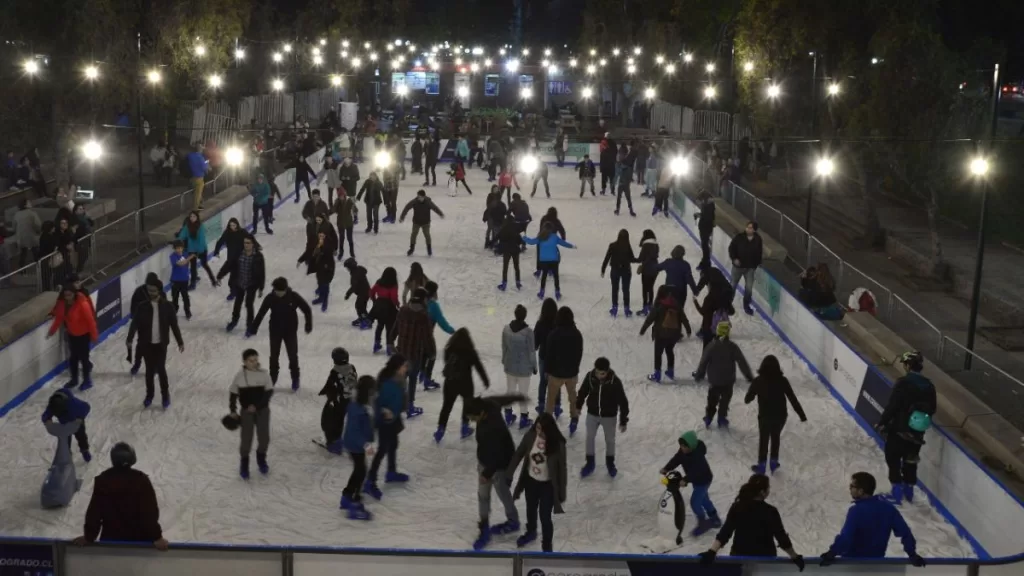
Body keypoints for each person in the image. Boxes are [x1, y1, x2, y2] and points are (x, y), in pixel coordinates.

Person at [699, 474, 805, 569]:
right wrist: (794, 556)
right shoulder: (770, 511)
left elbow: (726, 532)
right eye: (768, 488)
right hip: (765, 560)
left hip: (739, 557)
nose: (769, 491)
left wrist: (712, 552)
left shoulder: (737, 507)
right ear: (762, 492)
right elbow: (781, 537)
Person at [75, 443, 168, 550]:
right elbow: (149, 512)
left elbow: (95, 512)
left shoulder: (103, 480)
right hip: (140, 541)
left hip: (112, 540)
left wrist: (89, 536)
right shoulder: (141, 480)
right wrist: (157, 537)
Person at [820, 472, 925, 566]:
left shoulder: (856, 511)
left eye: (852, 486)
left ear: (861, 491)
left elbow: (846, 538)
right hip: (876, 565)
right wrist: (912, 554)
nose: (850, 488)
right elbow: (905, 532)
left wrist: (832, 553)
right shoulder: (889, 509)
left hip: (852, 565)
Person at [465, 395, 524, 550]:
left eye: (473, 418)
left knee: (502, 492)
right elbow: (501, 399)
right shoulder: (488, 405)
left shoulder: (494, 427)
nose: (472, 421)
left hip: (500, 464)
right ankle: (484, 528)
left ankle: (513, 521)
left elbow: (499, 454)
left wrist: (486, 474)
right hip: (485, 461)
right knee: (483, 496)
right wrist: (517, 397)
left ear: (482, 413)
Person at [877, 351, 936, 504]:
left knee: (893, 457)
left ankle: (896, 492)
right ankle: (909, 492)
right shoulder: (929, 385)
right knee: (911, 460)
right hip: (917, 431)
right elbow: (933, 408)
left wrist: (883, 421)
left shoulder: (903, 382)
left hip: (900, 428)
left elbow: (893, 405)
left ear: (908, 365)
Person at [507, 412, 567, 552]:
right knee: (531, 509)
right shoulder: (531, 435)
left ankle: (547, 546)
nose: (539, 432)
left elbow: (562, 470)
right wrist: (509, 474)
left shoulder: (557, 444)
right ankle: (531, 531)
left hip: (547, 485)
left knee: (545, 517)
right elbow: (519, 454)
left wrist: (561, 493)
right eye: (537, 427)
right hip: (530, 481)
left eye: (542, 429)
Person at [126, 277, 184, 408]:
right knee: (149, 372)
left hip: (161, 345)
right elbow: (134, 323)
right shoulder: (142, 307)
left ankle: (165, 395)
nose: (151, 293)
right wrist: (129, 338)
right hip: (147, 344)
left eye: (153, 290)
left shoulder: (168, 307)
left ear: (159, 290)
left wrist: (180, 341)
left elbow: (174, 325)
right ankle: (149, 395)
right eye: (149, 290)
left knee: (161, 370)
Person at [744, 355, 807, 474]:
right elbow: (792, 398)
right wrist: (802, 415)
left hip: (764, 416)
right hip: (780, 416)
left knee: (764, 439)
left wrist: (750, 397)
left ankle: (762, 465)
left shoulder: (758, 381)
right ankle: (773, 462)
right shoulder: (782, 380)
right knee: (775, 436)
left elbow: (748, 398)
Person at [249, 277, 313, 390]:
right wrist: (254, 328)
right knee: (274, 356)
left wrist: (308, 324)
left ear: (285, 289)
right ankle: (273, 377)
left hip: (290, 331)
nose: (278, 293)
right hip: (275, 330)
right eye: (276, 291)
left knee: (292, 355)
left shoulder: (293, 296)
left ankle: (295, 378)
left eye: (280, 291)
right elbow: (261, 313)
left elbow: (306, 309)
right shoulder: (270, 298)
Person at [363, 354, 410, 500]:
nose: (406, 368)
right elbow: (376, 401)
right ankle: (370, 481)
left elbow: (401, 399)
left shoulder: (400, 380)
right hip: (384, 421)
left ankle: (391, 471)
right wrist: (384, 412)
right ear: (397, 368)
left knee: (394, 444)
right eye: (404, 366)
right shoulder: (387, 382)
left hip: (393, 418)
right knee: (382, 449)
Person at [660, 431, 722, 536]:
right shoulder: (683, 451)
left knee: (695, 502)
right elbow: (676, 459)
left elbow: (696, 471)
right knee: (704, 499)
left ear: (691, 446)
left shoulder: (698, 456)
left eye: (685, 446)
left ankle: (703, 523)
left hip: (703, 480)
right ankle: (715, 519)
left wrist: (685, 479)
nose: (682, 448)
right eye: (681, 446)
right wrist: (667, 468)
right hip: (697, 480)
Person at [576, 357, 629, 478]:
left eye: (603, 373)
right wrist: (578, 406)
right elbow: (583, 391)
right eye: (598, 372)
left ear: (607, 371)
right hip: (592, 414)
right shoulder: (590, 377)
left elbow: (623, 402)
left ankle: (610, 463)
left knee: (610, 440)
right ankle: (590, 463)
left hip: (609, 416)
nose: (600, 375)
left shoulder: (615, 382)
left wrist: (623, 420)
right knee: (589, 437)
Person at [694, 321, 754, 428]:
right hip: (728, 380)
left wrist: (699, 374)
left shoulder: (711, 346)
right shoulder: (732, 347)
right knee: (725, 400)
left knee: (712, 399)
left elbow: (703, 362)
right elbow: (741, 361)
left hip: (714, 380)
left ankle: (708, 417)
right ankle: (721, 418)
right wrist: (748, 376)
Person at [435, 328, 491, 441]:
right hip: (465, 383)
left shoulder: (449, 349)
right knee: (467, 405)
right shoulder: (470, 351)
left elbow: (447, 363)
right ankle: (464, 428)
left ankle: (440, 430)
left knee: (446, 406)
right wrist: (485, 380)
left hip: (450, 382)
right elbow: (478, 366)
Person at [228, 349, 274, 479]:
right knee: (246, 438)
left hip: (263, 411)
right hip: (246, 412)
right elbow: (233, 394)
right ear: (244, 361)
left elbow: (268, 392)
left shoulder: (264, 375)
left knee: (264, 438)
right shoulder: (240, 376)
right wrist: (233, 410)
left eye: (256, 360)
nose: (254, 363)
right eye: (251, 360)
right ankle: (244, 463)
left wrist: (258, 406)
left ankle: (261, 458)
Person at [340, 375, 377, 520]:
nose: (374, 394)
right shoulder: (358, 410)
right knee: (360, 471)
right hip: (355, 445)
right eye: (373, 392)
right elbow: (354, 431)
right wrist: (366, 444)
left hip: (356, 444)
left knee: (360, 470)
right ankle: (351, 498)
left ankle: (348, 496)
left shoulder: (361, 406)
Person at [48, 286, 98, 391]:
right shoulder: (62, 304)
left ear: (74, 294)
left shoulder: (82, 304)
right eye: (65, 295)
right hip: (72, 335)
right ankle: (74, 379)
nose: (67, 297)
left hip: (84, 335)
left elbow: (90, 321)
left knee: (84, 358)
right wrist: (52, 331)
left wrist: (94, 335)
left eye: (69, 295)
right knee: (73, 358)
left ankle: (87, 380)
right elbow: (59, 318)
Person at [543, 306, 584, 434]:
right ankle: (574, 418)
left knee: (550, 399)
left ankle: (547, 421)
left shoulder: (553, 334)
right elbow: (579, 353)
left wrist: (547, 370)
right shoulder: (577, 334)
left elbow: (548, 355)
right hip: (571, 373)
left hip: (555, 374)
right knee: (572, 397)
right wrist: (575, 367)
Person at [395, 287, 435, 418]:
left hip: (401, 352)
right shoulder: (423, 315)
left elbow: (396, 326)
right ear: (423, 299)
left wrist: (390, 340)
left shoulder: (403, 309)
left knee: (399, 378)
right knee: (412, 379)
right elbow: (427, 337)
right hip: (414, 353)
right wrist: (431, 353)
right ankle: (410, 406)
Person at [639, 286, 686, 383]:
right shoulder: (676, 304)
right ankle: (670, 371)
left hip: (661, 334)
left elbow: (650, 319)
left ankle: (657, 375)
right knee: (669, 351)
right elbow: (683, 318)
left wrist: (643, 330)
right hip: (674, 335)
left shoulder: (659, 305)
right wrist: (688, 329)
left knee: (658, 354)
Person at [220, 235, 266, 331]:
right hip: (239, 283)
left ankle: (250, 325)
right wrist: (220, 275)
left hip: (252, 284)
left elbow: (262, 272)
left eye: (248, 243)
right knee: (237, 304)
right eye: (245, 242)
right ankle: (234, 321)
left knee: (249, 304)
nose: (246, 245)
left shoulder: (258, 256)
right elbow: (229, 264)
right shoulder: (239, 253)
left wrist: (261, 288)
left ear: (253, 244)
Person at [501, 305, 537, 429]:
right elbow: (531, 351)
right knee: (523, 394)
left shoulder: (506, 329)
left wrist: (504, 360)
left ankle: (508, 414)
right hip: (524, 369)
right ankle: (523, 418)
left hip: (510, 366)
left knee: (510, 391)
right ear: (524, 316)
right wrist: (534, 366)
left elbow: (504, 347)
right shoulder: (528, 332)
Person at [523, 222, 576, 300]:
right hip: (554, 259)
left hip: (544, 260)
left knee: (544, 276)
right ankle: (557, 293)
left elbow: (531, 242)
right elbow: (563, 243)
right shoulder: (554, 237)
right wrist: (572, 246)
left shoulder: (541, 237)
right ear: (551, 229)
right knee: (556, 276)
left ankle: (541, 292)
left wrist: (524, 237)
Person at [320, 347, 359, 450]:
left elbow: (329, 383)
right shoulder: (352, 367)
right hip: (353, 399)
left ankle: (334, 443)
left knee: (334, 419)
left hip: (341, 400)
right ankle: (347, 440)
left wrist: (324, 391)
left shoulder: (335, 371)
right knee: (344, 420)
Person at [42, 388, 91, 461]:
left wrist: (80, 418)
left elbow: (87, 407)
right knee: (64, 441)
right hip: (64, 425)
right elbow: (45, 415)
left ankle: (85, 450)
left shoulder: (74, 405)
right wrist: (47, 420)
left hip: (76, 422)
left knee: (81, 437)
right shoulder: (52, 405)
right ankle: (67, 454)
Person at [298, 222, 338, 313]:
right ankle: (320, 298)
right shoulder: (315, 242)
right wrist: (300, 260)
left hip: (328, 267)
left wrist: (321, 247)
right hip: (319, 267)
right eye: (320, 235)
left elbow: (329, 253)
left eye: (323, 235)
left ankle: (325, 301)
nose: (321, 237)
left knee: (325, 285)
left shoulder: (329, 243)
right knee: (320, 283)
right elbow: (309, 251)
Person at [694, 262, 735, 347]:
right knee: (722, 311)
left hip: (718, 294)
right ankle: (723, 330)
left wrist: (696, 292)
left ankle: (705, 330)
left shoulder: (705, 273)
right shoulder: (715, 270)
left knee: (708, 311)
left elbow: (702, 282)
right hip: (728, 292)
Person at [177, 211, 218, 290]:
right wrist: (176, 240)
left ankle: (213, 280)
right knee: (193, 266)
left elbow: (201, 240)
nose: (192, 218)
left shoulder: (200, 226)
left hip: (201, 249)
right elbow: (182, 235)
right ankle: (193, 284)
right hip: (192, 250)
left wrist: (199, 251)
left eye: (194, 216)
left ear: (197, 217)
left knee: (204, 264)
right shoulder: (187, 226)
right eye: (191, 216)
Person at [533, 298, 561, 416]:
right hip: (556, 358)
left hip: (543, 357)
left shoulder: (540, 324)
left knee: (543, 381)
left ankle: (541, 404)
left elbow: (535, 343)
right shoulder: (559, 324)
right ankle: (557, 405)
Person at [728, 221, 763, 315]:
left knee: (749, 288)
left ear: (754, 230)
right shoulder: (739, 237)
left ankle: (746, 305)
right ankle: (727, 304)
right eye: (747, 227)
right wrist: (734, 258)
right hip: (738, 267)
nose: (748, 229)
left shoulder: (758, 239)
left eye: (750, 228)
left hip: (750, 268)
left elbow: (759, 253)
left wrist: (755, 265)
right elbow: (731, 248)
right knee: (732, 285)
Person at [601, 229, 637, 317]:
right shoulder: (627, 246)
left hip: (615, 270)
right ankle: (626, 309)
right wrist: (641, 259)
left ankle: (614, 308)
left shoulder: (613, 245)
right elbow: (632, 259)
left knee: (615, 289)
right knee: (626, 290)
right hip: (626, 271)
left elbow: (607, 258)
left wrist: (603, 269)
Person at [400, 189, 445, 256]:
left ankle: (429, 248)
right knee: (413, 234)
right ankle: (412, 248)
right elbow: (407, 207)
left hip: (426, 222)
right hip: (416, 222)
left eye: (420, 197)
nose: (418, 198)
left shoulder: (428, 202)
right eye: (418, 196)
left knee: (427, 235)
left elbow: (435, 208)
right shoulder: (414, 201)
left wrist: (440, 214)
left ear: (423, 197)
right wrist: (402, 217)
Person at [368, 267, 401, 354]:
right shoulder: (393, 285)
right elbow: (394, 298)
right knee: (389, 328)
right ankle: (389, 347)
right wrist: (397, 305)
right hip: (389, 308)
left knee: (380, 326)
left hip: (379, 306)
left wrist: (375, 301)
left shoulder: (379, 282)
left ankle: (376, 344)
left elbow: (371, 292)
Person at [212, 218, 249, 292]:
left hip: (240, 259)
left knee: (233, 280)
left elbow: (250, 239)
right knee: (223, 270)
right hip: (231, 258)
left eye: (234, 225)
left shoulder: (242, 232)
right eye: (230, 225)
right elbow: (220, 242)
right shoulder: (227, 233)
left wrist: (256, 247)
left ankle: (234, 291)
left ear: (237, 225)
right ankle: (220, 278)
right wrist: (216, 252)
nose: (232, 227)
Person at [636, 230, 660, 316]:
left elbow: (640, 258)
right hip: (655, 268)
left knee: (645, 289)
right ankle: (650, 305)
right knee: (651, 287)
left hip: (646, 269)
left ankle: (645, 308)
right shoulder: (656, 244)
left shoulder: (645, 245)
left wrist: (631, 259)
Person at [168, 240, 193, 319]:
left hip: (184, 280)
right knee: (175, 297)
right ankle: (174, 310)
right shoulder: (173, 256)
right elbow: (180, 263)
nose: (179, 250)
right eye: (177, 248)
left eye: (180, 248)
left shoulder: (185, 254)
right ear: (174, 249)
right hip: (175, 280)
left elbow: (187, 265)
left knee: (185, 297)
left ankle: (187, 311)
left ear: (182, 248)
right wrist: (190, 257)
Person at [343, 258, 371, 328]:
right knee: (361, 306)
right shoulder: (358, 270)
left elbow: (354, 287)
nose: (347, 269)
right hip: (365, 291)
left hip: (363, 292)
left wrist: (348, 294)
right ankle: (363, 318)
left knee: (359, 306)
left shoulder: (355, 274)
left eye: (348, 268)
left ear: (351, 266)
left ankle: (366, 321)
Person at [14, 198, 42, 267]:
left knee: (23, 254)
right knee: (36, 252)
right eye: (29, 202)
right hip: (31, 236)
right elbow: (38, 225)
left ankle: (22, 269)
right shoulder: (32, 213)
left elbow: (14, 226)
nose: (30, 203)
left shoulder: (16, 214)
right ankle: (39, 266)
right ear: (25, 205)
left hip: (21, 237)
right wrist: (39, 232)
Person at [333, 188, 359, 260]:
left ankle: (352, 253)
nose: (341, 197)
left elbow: (355, 209)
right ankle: (341, 253)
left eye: (342, 195)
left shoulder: (349, 201)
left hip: (349, 223)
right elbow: (334, 210)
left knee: (350, 238)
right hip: (340, 223)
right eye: (340, 196)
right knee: (341, 239)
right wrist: (336, 203)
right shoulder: (337, 202)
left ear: (345, 195)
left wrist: (355, 216)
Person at [187, 143, 209, 210]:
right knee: (197, 194)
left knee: (196, 192)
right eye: (202, 147)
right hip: (199, 178)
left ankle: (200, 204)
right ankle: (195, 209)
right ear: (200, 149)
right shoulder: (200, 157)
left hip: (191, 177)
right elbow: (204, 168)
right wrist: (207, 164)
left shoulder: (190, 155)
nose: (203, 149)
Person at [696, 192, 716, 262]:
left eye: (699, 201)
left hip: (705, 227)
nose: (699, 203)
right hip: (705, 226)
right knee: (704, 244)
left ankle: (705, 259)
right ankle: (705, 259)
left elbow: (707, 217)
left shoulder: (708, 206)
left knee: (705, 244)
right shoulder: (708, 205)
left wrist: (699, 215)